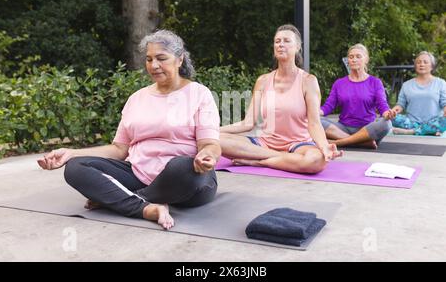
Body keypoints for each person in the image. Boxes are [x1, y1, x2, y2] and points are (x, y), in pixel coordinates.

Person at [37, 30, 221, 230]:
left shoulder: (199, 94)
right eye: (149, 59)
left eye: (161, 58)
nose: (154, 65)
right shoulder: (136, 98)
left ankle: (118, 199)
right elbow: (119, 149)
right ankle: (147, 209)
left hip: (186, 179)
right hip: (138, 174)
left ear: (179, 59)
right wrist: (71, 153)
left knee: (182, 167)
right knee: (75, 167)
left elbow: (210, 144)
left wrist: (206, 156)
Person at [220, 24, 342, 174]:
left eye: (286, 41)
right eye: (277, 41)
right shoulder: (263, 80)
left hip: (298, 145)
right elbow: (248, 122)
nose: (281, 45)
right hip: (263, 144)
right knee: (214, 139)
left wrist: (324, 147)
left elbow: (314, 123)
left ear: (297, 47)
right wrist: (211, 129)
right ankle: (280, 158)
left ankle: (259, 162)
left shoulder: (308, 81)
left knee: (316, 161)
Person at [320, 44, 393, 149]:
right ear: (348, 61)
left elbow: (382, 106)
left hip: (367, 130)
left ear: (366, 59)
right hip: (342, 128)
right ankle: (361, 142)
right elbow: (328, 107)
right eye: (351, 57)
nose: (354, 59)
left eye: (358, 56)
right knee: (314, 121)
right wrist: (314, 113)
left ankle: (340, 142)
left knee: (386, 124)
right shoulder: (339, 83)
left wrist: (387, 114)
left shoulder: (375, 82)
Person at [388, 51, 446, 136]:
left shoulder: (441, 83)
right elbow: (400, 105)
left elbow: (445, 103)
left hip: (434, 122)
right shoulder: (406, 85)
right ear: (415, 66)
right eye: (418, 62)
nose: (421, 64)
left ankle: (412, 132)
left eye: (425, 62)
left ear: (432, 66)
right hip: (411, 123)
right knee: (387, 117)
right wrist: (394, 111)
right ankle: (427, 131)